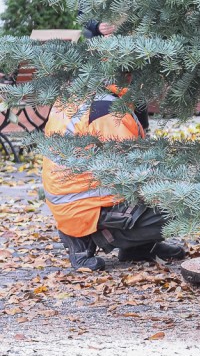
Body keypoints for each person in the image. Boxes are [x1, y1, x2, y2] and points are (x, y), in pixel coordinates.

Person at [42, 90, 184, 271]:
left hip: (74, 197)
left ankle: (138, 247)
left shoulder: (85, 94)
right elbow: (131, 168)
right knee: (183, 200)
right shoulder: (107, 110)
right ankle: (92, 238)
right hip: (85, 204)